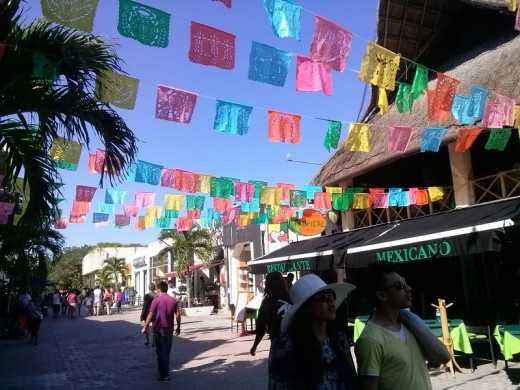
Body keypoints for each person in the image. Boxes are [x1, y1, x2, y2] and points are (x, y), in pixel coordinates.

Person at [355, 262, 451, 390]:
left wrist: (409, 320)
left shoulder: (410, 323)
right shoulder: (370, 340)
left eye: (404, 282)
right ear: (381, 295)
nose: (408, 288)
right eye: (399, 286)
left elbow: (443, 356)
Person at [268, 274, 357, 389]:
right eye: (322, 297)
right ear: (307, 307)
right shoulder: (284, 346)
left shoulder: (339, 337)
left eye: (332, 295)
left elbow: (352, 378)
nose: (330, 300)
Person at [141, 281, 181, 382]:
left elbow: (150, 315)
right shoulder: (173, 300)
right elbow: (178, 315)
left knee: (160, 352)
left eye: (157, 291)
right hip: (169, 330)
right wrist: (179, 327)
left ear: (158, 290)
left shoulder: (156, 300)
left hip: (159, 330)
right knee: (166, 351)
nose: (156, 293)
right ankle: (162, 371)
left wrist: (145, 327)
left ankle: (165, 374)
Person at [250, 271, 291, 357]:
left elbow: (261, 328)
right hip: (296, 345)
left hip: (278, 347)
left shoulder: (267, 303)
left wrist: (254, 346)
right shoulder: (292, 298)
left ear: (268, 285)